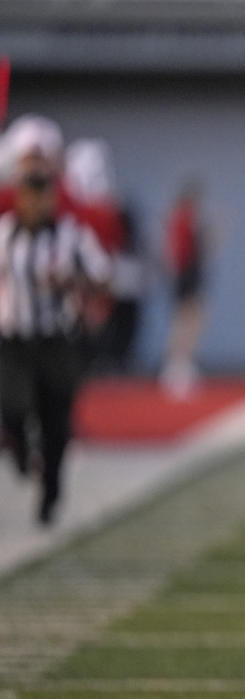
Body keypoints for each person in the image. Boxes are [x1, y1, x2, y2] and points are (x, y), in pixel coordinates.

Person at [0, 114, 111, 525]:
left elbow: (104, 279)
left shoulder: (71, 235)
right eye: (28, 192)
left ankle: (51, 492)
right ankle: (17, 450)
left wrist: (71, 281)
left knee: (55, 421)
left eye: (42, 192)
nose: (35, 201)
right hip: (13, 339)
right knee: (11, 409)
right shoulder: (5, 233)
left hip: (55, 339)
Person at [161, 177, 207, 397]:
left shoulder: (183, 221)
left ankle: (180, 365)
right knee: (186, 323)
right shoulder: (183, 220)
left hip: (187, 277)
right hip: (186, 278)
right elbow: (182, 254)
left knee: (189, 323)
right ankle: (176, 368)